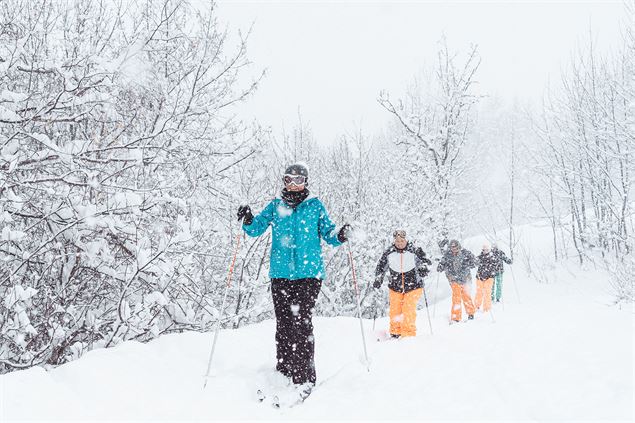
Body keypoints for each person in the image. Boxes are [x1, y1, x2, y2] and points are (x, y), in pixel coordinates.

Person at [237, 163, 349, 398]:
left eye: (299, 180)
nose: (294, 184)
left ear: (306, 182)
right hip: (280, 275)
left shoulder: (314, 206)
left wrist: (339, 235)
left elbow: (328, 233)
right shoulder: (276, 205)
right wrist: (247, 219)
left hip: (309, 274)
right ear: (284, 181)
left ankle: (304, 377)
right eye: (290, 179)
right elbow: (256, 228)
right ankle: (284, 370)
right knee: (284, 324)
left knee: (301, 322)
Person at [373, 230, 431, 338]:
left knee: (408, 309)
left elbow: (427, 262)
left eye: (402, 240)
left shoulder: (415, 250)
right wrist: (378, 279)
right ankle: (395, 333)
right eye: (397, 241)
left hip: (414, 285)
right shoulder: (389, 252)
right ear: (394, 241)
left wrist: (424, 269)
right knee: (395, 310)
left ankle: (408, 335)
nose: (399, 243)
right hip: (395, 286)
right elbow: (380, 267)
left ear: (406, 240)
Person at [437, 239, 476, 322]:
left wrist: (473, 262)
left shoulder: (465, 253)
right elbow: (442, 263)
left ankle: (470, 313)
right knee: (456, 297)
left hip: (465, 279)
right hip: (453, 279)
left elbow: (474, 261)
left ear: (459, 247)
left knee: (466, 296)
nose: (454, 250)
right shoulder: (447, 255)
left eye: (455, 248)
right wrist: (440, 266)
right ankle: (456, 317)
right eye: (452, 248)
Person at [473, 243, 497, 313]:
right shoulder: (480, 257)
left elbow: (495, 266)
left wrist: (492, 272)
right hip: (480, 277)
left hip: (489, 277)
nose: (485, 251)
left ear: (489, 250)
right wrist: (475, 262)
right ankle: (476, 306)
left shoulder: (492, 257)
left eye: (487, 250)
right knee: (479, 292)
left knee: (487, 292)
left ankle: (487, 308)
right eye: (484, 250)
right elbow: (474, 262)